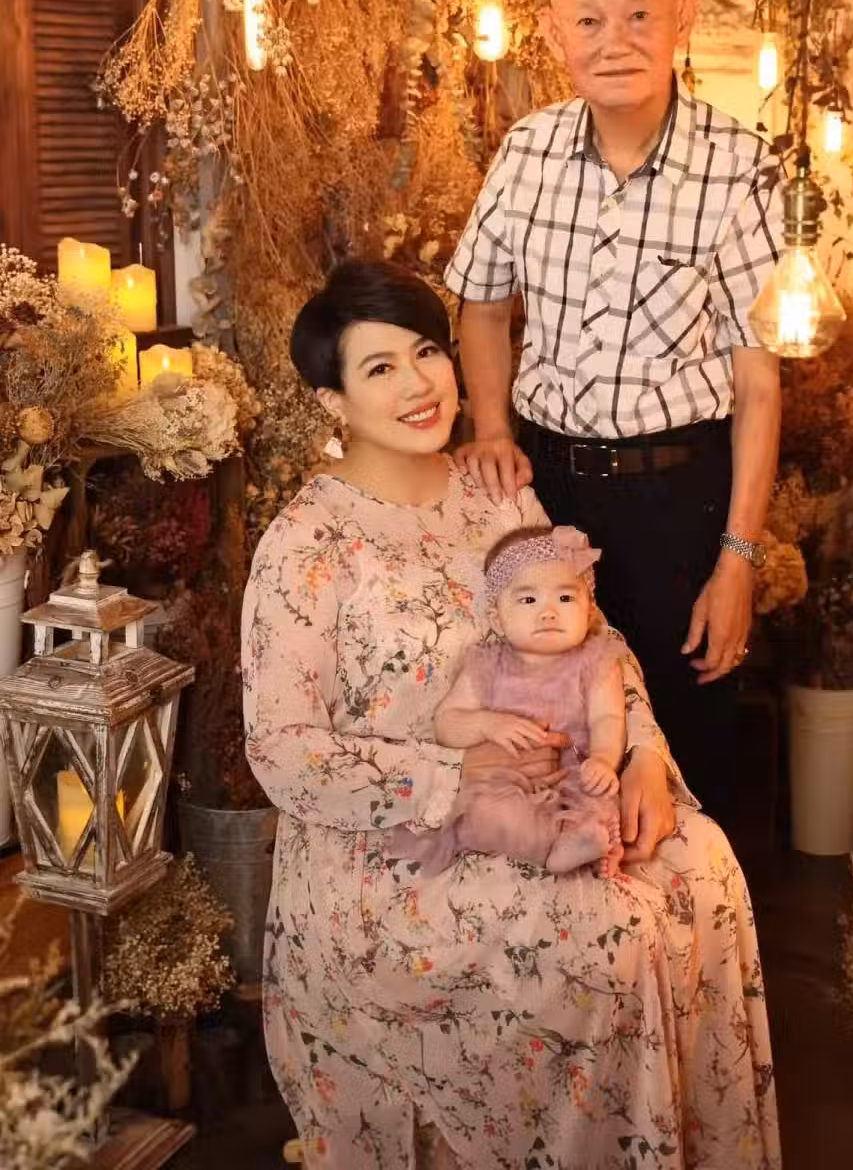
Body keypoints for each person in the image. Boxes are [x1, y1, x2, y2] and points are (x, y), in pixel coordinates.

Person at [241, 259, 780, 1170]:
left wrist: (643, 753)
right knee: (607, 935)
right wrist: (455, 776)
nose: (418, 384)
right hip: (395, 846)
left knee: (705, 863)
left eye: (426, 352)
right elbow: (282, 750)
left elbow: (593, 639)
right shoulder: (307, 541)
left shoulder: (498, 495)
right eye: (379, 368)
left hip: (558, 791)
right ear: (333, 401)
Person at [445, 0, 783, 827]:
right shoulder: (526, 152)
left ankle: (694, 918)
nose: (615, 42)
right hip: (545, 492)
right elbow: (482, 303)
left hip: (681, 501)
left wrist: (738, 559)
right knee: (552, 739)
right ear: (553, 31)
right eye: (589, 20)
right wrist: (490, 428)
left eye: (639, 16)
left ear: (682, 17)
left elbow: (758, 382)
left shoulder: (740, 167)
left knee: (685, 748)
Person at [391, 524, 627, 878]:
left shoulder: (596, 661)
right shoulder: (486, 665)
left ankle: (590, 841)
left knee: (600, 797)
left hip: (573, 776)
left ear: (590, 610)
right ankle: (556, 847)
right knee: (486, 814)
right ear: (496, 618)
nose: (549, 612)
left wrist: (605, 760)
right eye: (528, 600)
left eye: (565, 598)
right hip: (506, 782)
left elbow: (608, 718)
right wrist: (488, 724)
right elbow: (447, 723)